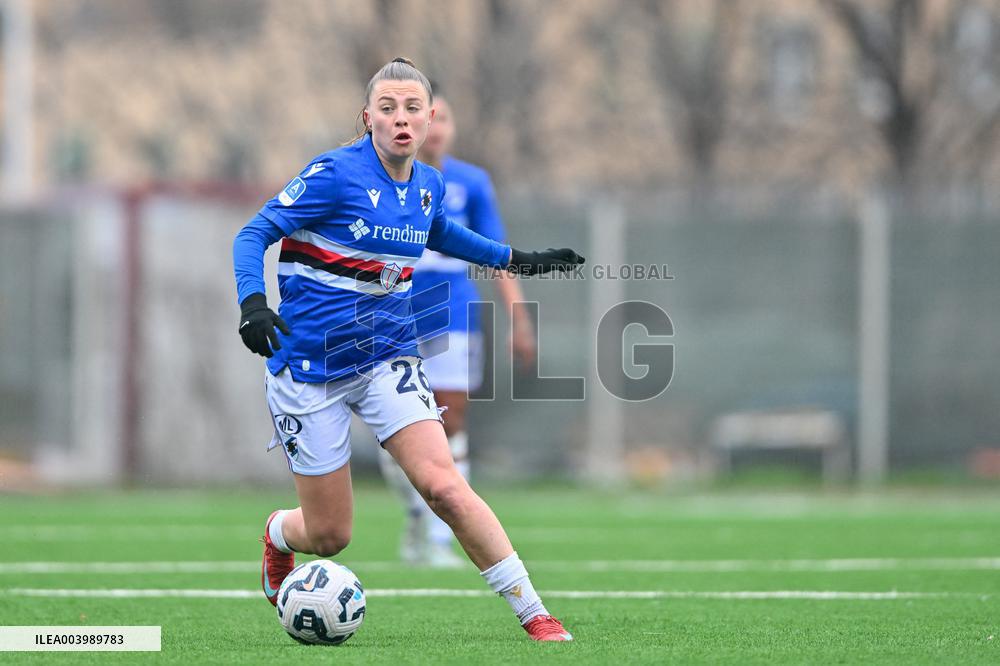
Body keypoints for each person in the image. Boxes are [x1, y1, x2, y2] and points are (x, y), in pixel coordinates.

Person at [232, 57, 584, 641]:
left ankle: (536, 614)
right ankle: (278, 534)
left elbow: (441, 232)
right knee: (329, 536)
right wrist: (253, 302)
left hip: (386, 356)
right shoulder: (333, 174)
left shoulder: (428, 184)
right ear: (367, 117)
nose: (401, 118)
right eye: (388, 108)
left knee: (445, 486)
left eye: (413, 108)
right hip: (310, 365)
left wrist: (515, 258)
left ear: (429, 119)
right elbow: (254, 233)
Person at [376, 85, 536, 568]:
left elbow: (498, 254)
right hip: (392, 312)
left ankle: (441, 536)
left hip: (454, 312)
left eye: (442, 117)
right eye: (427, 116)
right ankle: (415, 513)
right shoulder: (380, 178)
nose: (436, 127)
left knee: (451, 419)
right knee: (393, 425)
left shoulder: (471, 182)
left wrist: (518, 319)